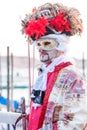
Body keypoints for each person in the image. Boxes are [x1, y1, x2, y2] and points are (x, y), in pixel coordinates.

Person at [21, 2, 87, 130]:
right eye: (39, 44)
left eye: (47, 43)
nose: (41, 49)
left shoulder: (72, 75)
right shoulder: (44, 73)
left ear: (60, 45)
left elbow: (77, 120)